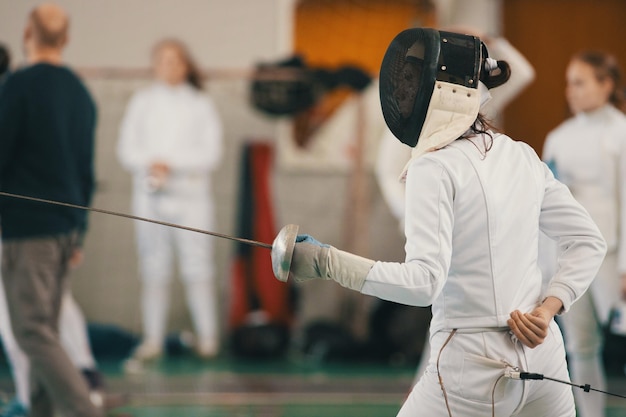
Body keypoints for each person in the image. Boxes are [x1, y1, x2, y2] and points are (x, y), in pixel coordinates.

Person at [272, 28, 607, 416]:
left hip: (472, 368)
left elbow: (423, 284)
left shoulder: (433, 167)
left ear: (442, 91)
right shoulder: (522, 156)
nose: (404, 95)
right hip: (544, 359)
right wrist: (548, 308)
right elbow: (587, 241)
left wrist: (327, 262)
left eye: (415, 84)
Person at [374, 31, 536, 383]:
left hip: (481, 223)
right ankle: (432, 388)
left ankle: (435, 387)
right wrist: (412, 214)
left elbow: (520, 73)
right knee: (445, 309)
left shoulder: (474, 104)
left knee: (462, 311)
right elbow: (386, 173)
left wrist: (495, 40)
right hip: (433, 223)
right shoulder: (411, 115)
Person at [0, 3, 102, 417]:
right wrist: (81, 230)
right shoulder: (81, 94)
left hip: (28, 233)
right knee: (47, 328)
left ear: (28, 33)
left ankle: (83, 410)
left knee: (31, 330)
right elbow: (86, 172)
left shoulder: (16, 87)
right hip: (64, 232)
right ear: (66, 38)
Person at [117, 38, 223, 363]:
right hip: (151, 198)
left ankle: (208, 337)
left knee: (197, 266)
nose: (169, 66)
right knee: (153, 267)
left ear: (185, 65)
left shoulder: (201, 104)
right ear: (155, 65)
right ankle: (153, 339)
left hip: (192, 199)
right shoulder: (142, 103)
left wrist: (172, 163)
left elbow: (211, 153)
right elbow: (127, 149)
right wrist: (152, 163)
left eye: (175, 60)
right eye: (163, 60)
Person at [542, 50, 626, 417]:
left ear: (606, 85)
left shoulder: (622, 132)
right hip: (571, 259)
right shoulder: (557, 138)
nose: (570, 90)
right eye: (568, 83)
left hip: (612, 257)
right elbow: (547, 209)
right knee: (580, 345)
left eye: (580, 82)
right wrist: (548, 270)